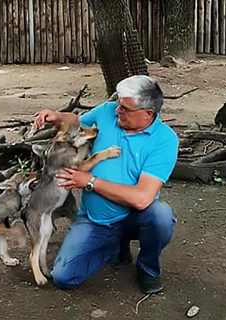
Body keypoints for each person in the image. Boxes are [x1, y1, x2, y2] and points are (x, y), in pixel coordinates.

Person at [33, 75, 179, 294]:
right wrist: (56, 117)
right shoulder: (107, 111)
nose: (117, 111)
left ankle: (148, 268)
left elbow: (141, 199)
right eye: (119, 105)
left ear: (148, 113)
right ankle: (115, 247)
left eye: (124, 109)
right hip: (96, 219)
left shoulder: (164, 140)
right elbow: (76, 123)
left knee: (160, 215)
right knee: (64, 278)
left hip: (134, 217)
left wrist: (90, 181)